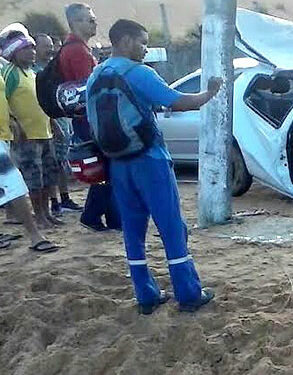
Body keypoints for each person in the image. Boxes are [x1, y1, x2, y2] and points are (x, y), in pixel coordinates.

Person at [87, 19, 222, 314]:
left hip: (118, 164)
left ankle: (145, 294)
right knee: (171, 227)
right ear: (124, 41)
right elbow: (179, 101)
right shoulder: (138, 73)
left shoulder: (95, 75)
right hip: (150, 160)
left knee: (133, 232)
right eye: (142, 42)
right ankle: (188, 293)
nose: (146, 49)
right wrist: (210, 93)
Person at [59, 3, 120, 231]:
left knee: (105, 170)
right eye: (89, 20)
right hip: (90, 120)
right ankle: (94, 215)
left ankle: (108, 217)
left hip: (87, 119)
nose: (94, 23)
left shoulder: (77, 48)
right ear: (75, 22)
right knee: (106, 170)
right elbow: (90, 90)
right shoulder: (76, 51)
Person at [1, 31, 62, 229]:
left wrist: (54, 122)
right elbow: (4, 101)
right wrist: (13, 121)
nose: (32, 52)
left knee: (47, 177)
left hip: (45, 133)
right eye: (26, 49)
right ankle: (39, 217)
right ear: (15, 53)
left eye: (33, 48)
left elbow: (42, 102)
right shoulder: (11, 73)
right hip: (27, 137)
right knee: (33, 180)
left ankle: (46, 213)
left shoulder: (33, 73)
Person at [0, 71, 58, 252]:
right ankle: (34, 235)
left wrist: (11, 119)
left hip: (4, 134)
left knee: (12, 184)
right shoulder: (10, 70)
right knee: (14, 184)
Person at [33, 33, 82, 216]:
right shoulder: (37, 73)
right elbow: (40, 103)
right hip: (49, 125)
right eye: (45, 46)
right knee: (52, 165)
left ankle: (65, 198)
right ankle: (54, 202)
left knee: (61, 162)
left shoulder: (51, 68)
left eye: (50, 45)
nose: (50, 49)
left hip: (61, 122)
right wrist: (54, 124)